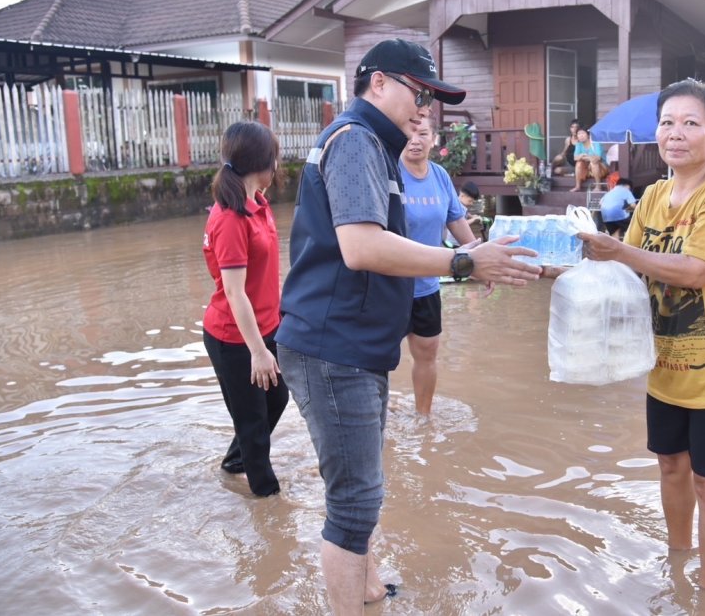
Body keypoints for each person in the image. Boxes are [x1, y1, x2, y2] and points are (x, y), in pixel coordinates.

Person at [275, 38, 541, 615]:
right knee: (355, 500)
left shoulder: (377, 146)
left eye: (432, 99)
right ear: (377, 83)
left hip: (358, 345)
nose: (425, 109)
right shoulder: (355, 142)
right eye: (418, 93)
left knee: (362, 490)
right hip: (332, 347)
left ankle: (368, 588)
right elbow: (362, 246)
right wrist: (464, 261)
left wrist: (479, 256)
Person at [577, 79, 705, 591]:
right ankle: (678, 563)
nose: (675, 134)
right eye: (666, 122)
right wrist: (558, 268)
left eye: (690, 123)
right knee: (670, 468)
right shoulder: (654, 195)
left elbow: (696, 270)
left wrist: (617, 252)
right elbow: (627, 274)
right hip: (665, 369)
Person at [201, 121, 287, 498]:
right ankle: (268, 504)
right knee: (253, 423)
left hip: (266, 325)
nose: (278, 167)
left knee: (278, 398)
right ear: (262, 161)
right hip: (235, 337)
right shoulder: (231, 218)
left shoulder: (259, 204)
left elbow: (266, 276)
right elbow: (235, 293)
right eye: (275, 159)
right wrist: (257, 351)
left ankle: (234, 463)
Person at [399, 116, 478, 416]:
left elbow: (456, 220)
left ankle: (423, 418)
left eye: (423, 134)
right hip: (391, 285)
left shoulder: (440, 176)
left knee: (427, 353)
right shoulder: (389, 172)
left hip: (427, 286)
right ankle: (375, 423)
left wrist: (478, 260)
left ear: (434, 140)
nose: (415, 140)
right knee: (379, 358)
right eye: (409, 133)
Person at [571, 126, 608, 191]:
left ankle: (598, 187)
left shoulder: (595, 143)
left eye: (583, 133)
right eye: (579, 134)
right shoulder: (578, 144)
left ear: (588, 135)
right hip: (588, 170)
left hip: (601, 169)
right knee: (579, 163)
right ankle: (577, 186)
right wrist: (583, 155)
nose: (581, 136)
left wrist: (582, 156)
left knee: (593, 163)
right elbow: (575, 158)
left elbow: (597, 158)